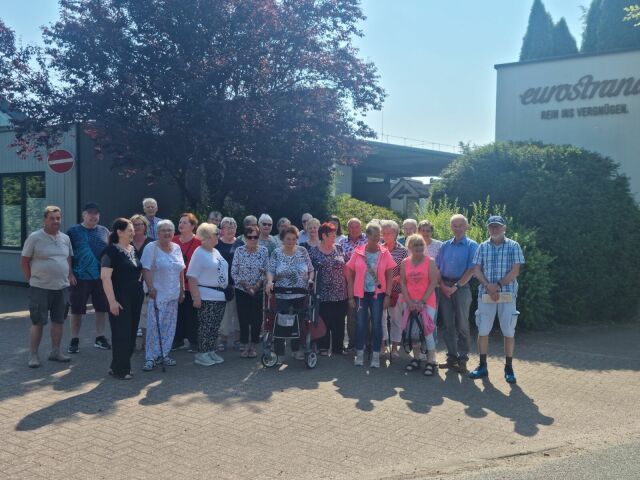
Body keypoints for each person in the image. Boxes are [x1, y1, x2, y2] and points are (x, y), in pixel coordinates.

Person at [469, 216, 525, 384]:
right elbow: (476, 270)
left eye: (497, 226)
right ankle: (482, 366)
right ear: (488, 228)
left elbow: (515, 271)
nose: (494, 229)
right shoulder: (482, 246)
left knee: (508, 332)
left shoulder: (514, 245)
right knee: (483, 330)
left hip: (507, 295)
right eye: (491, 227)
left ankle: (508, 367)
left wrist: (497, 286)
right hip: (486, 295)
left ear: (504, 228)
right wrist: (488, 286)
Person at [20, 206, 75, 367]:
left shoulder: (65, 238)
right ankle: (34, 355)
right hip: (40, 287)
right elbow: (24, 261)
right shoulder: (35, 237)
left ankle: (55, 352)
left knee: (59, 320)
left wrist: (70, 274)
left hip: (62, 288)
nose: (55, 221)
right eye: (52, 218)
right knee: (38, 321)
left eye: (58, 218)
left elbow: (68, 259)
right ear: (45, 220)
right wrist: (31, 279)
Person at [346, 221, 395, 368]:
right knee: (360, 325)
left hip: (378, 295)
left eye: (378, 236)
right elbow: (350, 275)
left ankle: (375, 356)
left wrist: (387, 295)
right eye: (373, 236)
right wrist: (350, 297)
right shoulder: (358, 252)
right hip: (361, 294)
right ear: (367, 235)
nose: (376, 239)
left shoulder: (385, 253)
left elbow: (389, 276)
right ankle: (359, 355)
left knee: (377, 325)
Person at [100, 218, 144, 380]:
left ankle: (117, 365)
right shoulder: (110, 252)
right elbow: (105, 278)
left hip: (135, 296)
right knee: (121, 333)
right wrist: (112, 301)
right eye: (130, 230)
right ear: (119, 232)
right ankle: (121, 369)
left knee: (131, 332)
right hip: (120, 297)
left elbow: (138, 271)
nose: (134, 232)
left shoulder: (133, 250)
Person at [435, 214, 478, 374]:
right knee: (447, 325)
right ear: (450, 227)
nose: (457, 228)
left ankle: (463, 359)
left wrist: (456, 286)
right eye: (454, 225)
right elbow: (438, 268)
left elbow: (472, 269)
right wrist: (441, 285)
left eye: (460, 225)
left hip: (462, 288)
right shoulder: (445, 245)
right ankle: (452, 357)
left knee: (462, 325)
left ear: (466, 227)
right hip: (444, 286)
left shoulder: (472, 245)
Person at [66, 202, 111, 354]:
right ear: (83, 215)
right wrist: (70, 273)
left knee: (101, 308)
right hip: (79, 277)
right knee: (77, 309)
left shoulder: (104, 231)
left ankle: (99, 337)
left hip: (100, 277)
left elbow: (109, 254)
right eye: (90, 213)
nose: (93, 216)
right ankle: (74, 339)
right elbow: (68, 254)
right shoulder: (73, 231)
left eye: (96, 213)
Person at [140, 220, 185, 371]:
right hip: (157, 294)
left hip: (173, 294)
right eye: (164, 230)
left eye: (170, 230)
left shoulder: (177, 248)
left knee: (169, 326)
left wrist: (182, 290)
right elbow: (145, 269)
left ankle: (164, 354)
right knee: (154, 327)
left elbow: (180, 270)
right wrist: (151, 287)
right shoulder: (151, 248)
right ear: (158, 233)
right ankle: (150, 357)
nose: (167, 233)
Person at [266, 226, 314, 361]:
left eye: (294, 239)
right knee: (281, 322)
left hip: (300, 293)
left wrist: (310, 279)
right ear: (282, 239)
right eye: (288, 238)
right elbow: (270, 270)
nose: (291, 241)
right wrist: (270, 282)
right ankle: (279, 352)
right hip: (282, 293)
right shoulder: (276, 253)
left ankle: (295, 350)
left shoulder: (302, 251)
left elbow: (311, 269)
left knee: (298, 322)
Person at [187, 223, 228, 366]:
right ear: (208, 236)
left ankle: (210, 350)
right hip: (206, 295)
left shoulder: (215, 251)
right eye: (216, 233)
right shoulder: (199, 252)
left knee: (214, 326)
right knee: (206, 326)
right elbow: (192, 276)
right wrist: (195, 297)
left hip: (219, 296)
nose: (219, 236)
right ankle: (202, 353)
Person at [400, 234, 439, 376]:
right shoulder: (405, 262)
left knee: (427, 332)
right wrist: (410, 302)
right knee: (413, 332)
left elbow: (433, 282)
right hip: (409, 302)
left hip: (427, 302)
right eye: (415, 245)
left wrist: (422, 302)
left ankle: (431, 361)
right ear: (409, 247)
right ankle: (416, 358)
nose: (418, 248)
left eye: (421, 245)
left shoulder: (430, 262)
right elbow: (403, 283)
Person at [308, 222, 348, 356]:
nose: (334, 237)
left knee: (339, 322)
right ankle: (323, 347)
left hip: (340, 293)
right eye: (332, 235)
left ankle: (338, 348)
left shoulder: (339, 248)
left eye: (335, 234)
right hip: (323, 294)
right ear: (324, 235)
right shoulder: (313, 251)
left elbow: (347, 267)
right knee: (324, 321)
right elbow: (310, 271)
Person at [231, 225, 269, 358]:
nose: (253, 239)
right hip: (242, 290)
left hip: (258, 291)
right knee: (244, 319)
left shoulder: (263, 251)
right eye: (250, 237)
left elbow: (266, 271)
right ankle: (244, 344)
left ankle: (253, 346)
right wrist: (247, 286)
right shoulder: (239, 251)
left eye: (255, 237)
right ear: (245, 237)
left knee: (256, 320)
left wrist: (257, 285)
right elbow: (234, 272)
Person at [172, 213, 201, 351]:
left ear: (193, 226)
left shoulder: (198, 242)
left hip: (192, 285)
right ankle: (177, 340)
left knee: (192, 315)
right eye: (180, 222)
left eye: (185, 222)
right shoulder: (173, 240)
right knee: (177, 314)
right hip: (175, 285)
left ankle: (194, 341)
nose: (181, 224)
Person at [337, 217, 367, 351]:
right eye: (351, 227)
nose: (354, 229)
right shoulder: (342, 243)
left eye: (357, 227)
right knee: (351, 315)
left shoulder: (368, 240)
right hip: (348, 283)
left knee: (367, 315)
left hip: (366, 283)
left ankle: (367, 342)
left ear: (361, 228)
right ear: (347, 228)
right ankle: (352, 342)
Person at [380, 220, 408, 358]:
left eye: (388, 233)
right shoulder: (379, 248)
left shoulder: (403, 251)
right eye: (383, 233)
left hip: (397, 290)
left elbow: (407, 271)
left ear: (396, 233)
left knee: (396, 320)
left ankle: (395, 347)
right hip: (380, 291)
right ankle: (383, 345)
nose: (385, 235)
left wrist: (396, 278)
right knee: (381, 319)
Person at [216, 217, 243, 352]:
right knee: (225, 315)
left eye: (233, 227)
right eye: (227, 227)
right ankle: (223, 339)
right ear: (222, 229)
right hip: (223, 285)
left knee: (239, 314)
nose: (230, 229)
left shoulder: (240, 243)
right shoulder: (217, 244)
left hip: (239, 284)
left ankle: (238, 340)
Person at [131, 214, 152, 341]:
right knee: (132, 313)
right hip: (130, 281)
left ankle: (145, 342)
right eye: (134, 224)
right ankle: (131, 342)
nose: (137, 226)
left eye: (140, 224)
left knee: (145, 313)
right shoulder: (126, 241)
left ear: (145, 226)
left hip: (146, 282)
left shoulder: (151, 242)